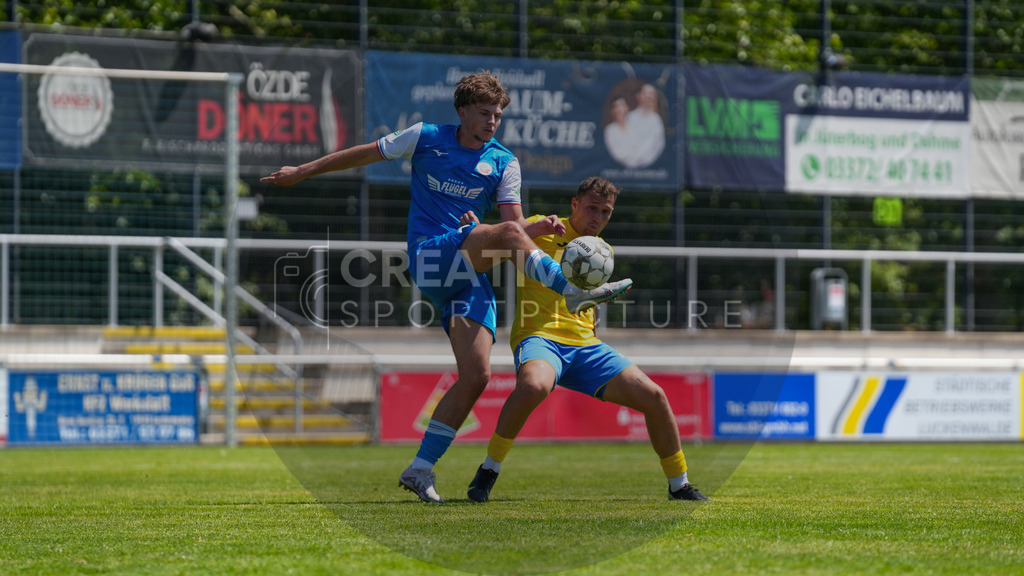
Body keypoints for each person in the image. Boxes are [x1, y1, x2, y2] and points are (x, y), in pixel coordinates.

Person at [262, 71, 633, 503]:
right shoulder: (426, 137)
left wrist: (527, 226)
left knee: (477, 375)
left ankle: (420, 468)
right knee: (510, 239)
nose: (493, 121)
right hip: (430, 255)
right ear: (462, 111)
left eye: (497, 114)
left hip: (465, 273)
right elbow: (362, 155)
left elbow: (514, 228)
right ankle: (571, 291)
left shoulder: (503, 162)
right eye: (484, 113)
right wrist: (303, 171)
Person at [466, 176, 710, 503]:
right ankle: (489, 469)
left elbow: (586, 305)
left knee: (655, 396)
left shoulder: (601, 251)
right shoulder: (542, 227)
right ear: (574, 205)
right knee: (534, 386)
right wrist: (478, 230)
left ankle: (679, 485)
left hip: (585, 347)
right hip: (540, 337)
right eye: (592, 208)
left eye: (606, 212)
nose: (597, 217)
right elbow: (504, 238)